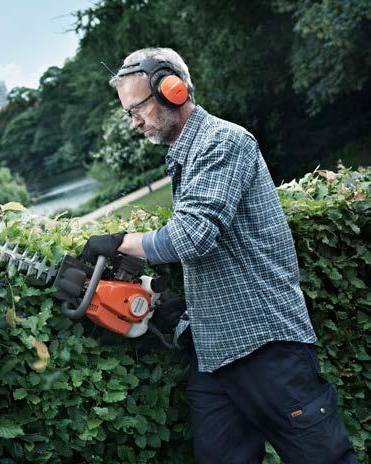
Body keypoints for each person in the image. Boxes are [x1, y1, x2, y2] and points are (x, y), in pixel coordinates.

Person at [80, 47, 358, 463]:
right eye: (128, 113)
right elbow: (212, 246)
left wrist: (119, 241)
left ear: (172, 90)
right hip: (216, 355)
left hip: (266, 347)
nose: (134, 121)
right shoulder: (185, 154)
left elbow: (192, 238)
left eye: (136, 108)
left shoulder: (222, 143)